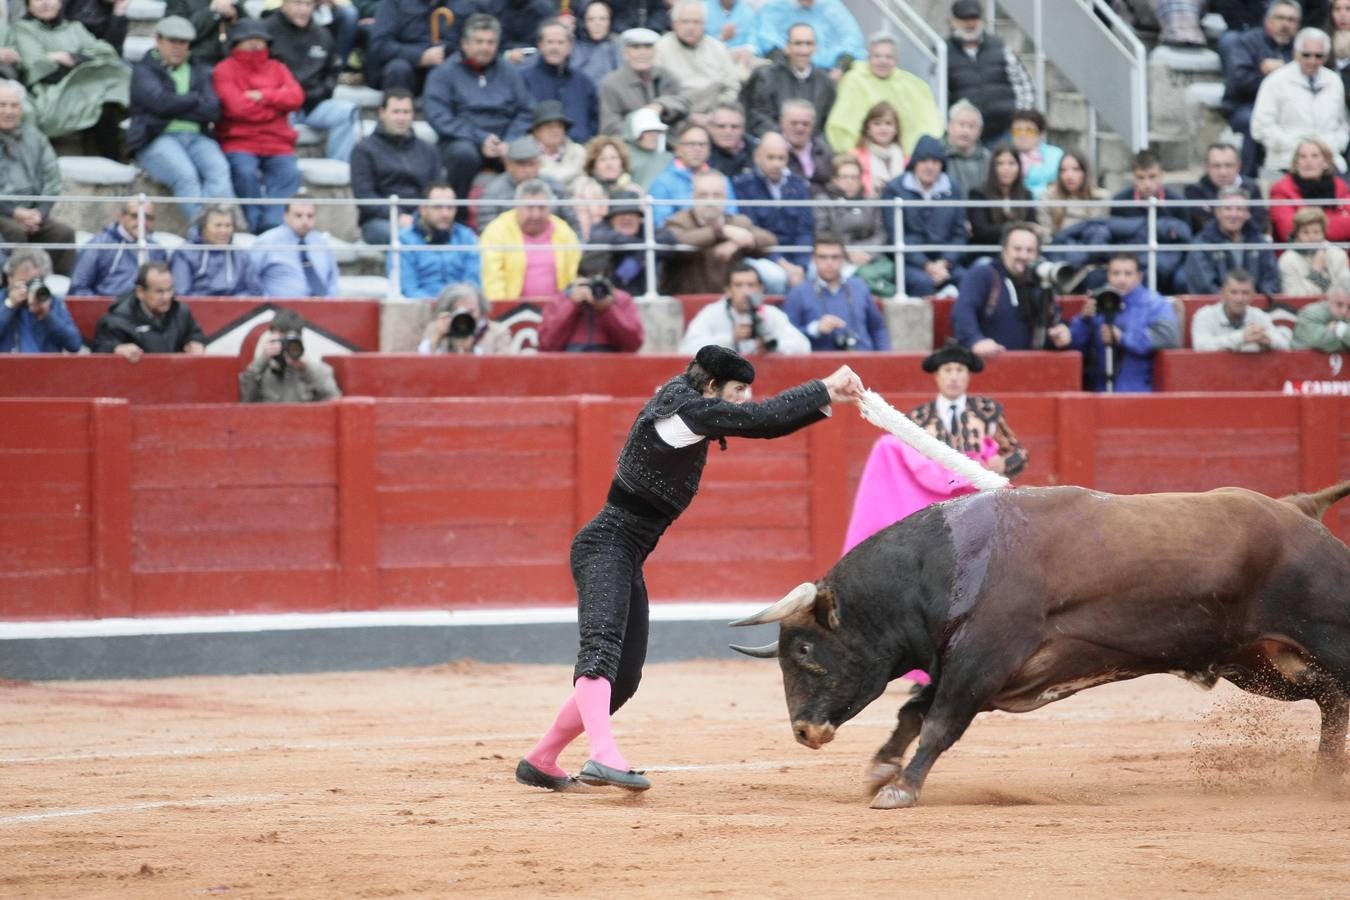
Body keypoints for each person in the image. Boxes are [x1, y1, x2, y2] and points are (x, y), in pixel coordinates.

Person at [516, 345, 864, 793]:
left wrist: (827, 397)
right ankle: (603, 756)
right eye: (737, 390)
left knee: (623, 678)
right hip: (604, 547)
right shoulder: (684, 412)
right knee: (601, 650)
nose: (741, 399)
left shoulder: (686, 404)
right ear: (712, 385)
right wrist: (825, 388)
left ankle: (542, 758)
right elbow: (760, 421)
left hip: (625, 554)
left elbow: (762, 421)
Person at [842, 338, 1026, 555]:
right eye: (948, 370)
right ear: (937, 376)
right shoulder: (918, 418)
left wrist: (1003, 464)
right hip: (934, 506)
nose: (954, 376)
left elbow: (1019, 454)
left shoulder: (987, 412)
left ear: (968, 375)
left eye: (959, 370)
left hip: (978, 502)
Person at [128, 16, 234, 225]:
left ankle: (218, 225)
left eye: (183, 43)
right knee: (185, 176)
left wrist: (173, 105)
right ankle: (203, 232)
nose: (178, 48)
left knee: (219, 170)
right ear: (158, 40)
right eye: (172, 41)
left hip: (197, 137)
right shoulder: (143, 70)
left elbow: (212, 109)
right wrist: (195, 99)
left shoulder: (198, 69)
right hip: (156, 137)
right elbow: (160, 103)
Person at [424, 14, 535, 200]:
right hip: (462, 140)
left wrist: (508, 141)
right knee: (463, 155)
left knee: (527, 152)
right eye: (479, 41)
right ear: (465, 44)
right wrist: (480, 138)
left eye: (491, 42)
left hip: (504, 139)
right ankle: (457, 215)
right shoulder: (443, 74)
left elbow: (526, 110)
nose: (485, 47)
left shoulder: (511, 73)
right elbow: (438, 116)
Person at [212, 19, 305, 234]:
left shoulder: (278, 68)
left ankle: (273, 226)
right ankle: (253, 225)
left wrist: (263, 96)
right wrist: (277, 106)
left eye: (259, 40)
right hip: (239, 140)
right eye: (249, 39)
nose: (255, 44)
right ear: (237, 42)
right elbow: (236, 108)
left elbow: (297, 97)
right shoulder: (224, 70)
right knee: (244, 172)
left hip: (278, 141)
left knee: (289, 172)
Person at [10, 0, 129, 157]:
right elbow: (36, 64)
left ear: (60, 3)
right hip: (49, 92)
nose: (46, 3)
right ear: (28, 4)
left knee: (108, 103)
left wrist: (70, 57)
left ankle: (113, 160)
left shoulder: (74, 27)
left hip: (85, 85)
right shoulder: (22, 29)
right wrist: (78, 61)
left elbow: (106, 53)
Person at [952, 221, 1071, 358]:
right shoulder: (983, 274)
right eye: (1017, 249)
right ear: (1004, 250)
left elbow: (1052, 321)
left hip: (1034, 368)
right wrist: (975, 341)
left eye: (1030, 250)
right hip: (990, 365)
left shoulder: (1042, 282)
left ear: (1038, 254)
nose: (1023, 256)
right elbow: (963, 311)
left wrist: (1061, 333)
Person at [1069, 253, 1179, 393]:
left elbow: (1169, 337)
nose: (1121, 280)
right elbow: (1074, 344)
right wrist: (1083, 319)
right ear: (1108, 276)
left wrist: (1122, 337)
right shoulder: (1098, 300)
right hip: (1099, 389)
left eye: (1128, 274)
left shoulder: (1155, 304)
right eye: (1116, 273)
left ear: (1139, 276)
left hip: (1140, 389)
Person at [266, 0, 359, 164]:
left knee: (347, 111)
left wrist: (321, 92)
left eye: (309, 5)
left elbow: (333, 71)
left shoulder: (322, 34)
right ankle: (280, 166)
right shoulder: (267, 31)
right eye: (298, 4)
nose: (304, 9)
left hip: (314, 103)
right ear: (284, 4)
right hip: (281, 105)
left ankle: (338, 167)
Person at [350, 87, 445, 246]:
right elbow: (365, 197)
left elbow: (437, 190)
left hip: (423, 218)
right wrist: (398, 216)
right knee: (407, 238)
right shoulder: (363, 150)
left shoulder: (429, 150)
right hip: (380, 221)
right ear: (382, 113)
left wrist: (420, 217)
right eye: (396, 112)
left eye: (406, 112)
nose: (401, 118)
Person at [0, 80, 76, 276]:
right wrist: (14, 212)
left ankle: (58, 291)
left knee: (63, 233)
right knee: (15, 232)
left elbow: (52, 179)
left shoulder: (36, 138)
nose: (9, 111)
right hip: (3, 213)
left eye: (14, 106)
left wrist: (39, 213)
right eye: (3, 105)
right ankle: (18, 288)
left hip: (33, 212)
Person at [1251, 27, 1348, 179]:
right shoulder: (1276, 81)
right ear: (1295, 53)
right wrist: (1299, 148)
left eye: (1318, 55)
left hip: (1329, 162)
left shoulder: (1334, 81)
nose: (1312, 60)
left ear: (1326, 56)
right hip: (1285, 162)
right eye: (1306, 55)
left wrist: (1329, 146)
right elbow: (1261, 127)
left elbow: (1343, 125)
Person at [657, 169, 775, 294]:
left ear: (726, 197)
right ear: (693, 197)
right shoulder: (678, 220)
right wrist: (722, 231)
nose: (710, 201)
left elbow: (769, 240)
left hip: (729, 303)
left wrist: (738, 242)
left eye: (716, 195)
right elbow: (677, 240)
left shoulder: (737, 222)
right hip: (686, 300)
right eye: (703, 195)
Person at [825, 33, 942, 159]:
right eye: (877, 56)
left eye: (888, 57)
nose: (883, 61)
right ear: (868, 58)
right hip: (862, 157)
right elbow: (842, 122)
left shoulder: (912, 84)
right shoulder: (854, 80)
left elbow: (928, 121)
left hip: (903, 156)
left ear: (896, 60)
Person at [881, 135, 967, 298]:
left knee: (967, 279)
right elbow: (895, 236)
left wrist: (945, 262)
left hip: (945, 263)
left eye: (935, 162)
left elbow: (959, 233)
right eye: (924, 161)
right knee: (922, 282)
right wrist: (926, 265)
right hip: (909, 263)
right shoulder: (895, 189)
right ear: (914, 163)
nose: (929, 167)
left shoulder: (953, 188)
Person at [1220, 0, 1300, 177]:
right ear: (1268, 21)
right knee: (1254, 122)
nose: (1285, 24)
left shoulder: (1300, 49)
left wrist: (1282, 69)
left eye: (1291, 20)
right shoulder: (1246, 42)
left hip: (1286, 107)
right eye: (1280, 18)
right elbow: (1239, 82)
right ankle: (1248, 181)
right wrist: (1269, 78)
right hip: (1247, 104)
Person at [732, 132, 812, 293]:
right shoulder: (743, 185)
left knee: (820, 273)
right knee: (775, 277)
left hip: (796, 258)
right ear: (757, 157)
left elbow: (805, 230)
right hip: (760, 257)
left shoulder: (798, 186)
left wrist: (801, 266)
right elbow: (752, 233)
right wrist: (783, 264)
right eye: (771, 157)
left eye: (781, 158)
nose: (776, 163)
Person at [782, 232, 890, 351]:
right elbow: (787, 337)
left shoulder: (860, 287)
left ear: (843, 258)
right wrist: (815, 329)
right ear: (813, 259)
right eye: (823, 257)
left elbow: (877, 329)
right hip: (819, 365)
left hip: (862, 360)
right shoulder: (798, 293)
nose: (829, 263)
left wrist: (885, 358)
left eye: (835, 257)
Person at [945, 0, 1034, 142]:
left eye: (974, 18)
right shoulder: (944, 52)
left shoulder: (999, 46)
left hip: (1005, 131)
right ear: (953, 20)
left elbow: (1023, 84)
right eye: (964, 19)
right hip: (966, 135)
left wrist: (1020, 118)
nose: (970, 24)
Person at [480, 179, 582, 300]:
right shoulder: (496, 231)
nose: (535, 215)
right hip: (511, 312)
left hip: (558, 311)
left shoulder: (564, 232)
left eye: (541, 208)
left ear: (550, 208)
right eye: (529, 208)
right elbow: (492, 281)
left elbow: (573, 277)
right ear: (517, 206)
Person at [678, 262, 810, 354]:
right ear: (728, 290)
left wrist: (773, 347)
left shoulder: (772, 314)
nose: (746, 291)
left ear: (760, 289)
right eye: (739, 285)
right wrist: (731, 338)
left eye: (751, 285)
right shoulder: (712, 313)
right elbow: (686, 349)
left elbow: (804, 346)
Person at [91, 262, 207, 360]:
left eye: (170, 290)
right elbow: (100, 347)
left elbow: (195, 333)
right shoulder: (117, 319)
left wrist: (195, 342)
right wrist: (116, 349)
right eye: (159, 291)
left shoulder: (181, 311)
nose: (167, 297)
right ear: (140, 292)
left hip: (176, 380)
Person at [814, 152, 892, 295]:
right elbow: (821, 233)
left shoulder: (870, 202)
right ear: (834, 179)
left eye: (854, 177)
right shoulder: (823, 201)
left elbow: (880, 234)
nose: (849, 181)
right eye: (844, 177)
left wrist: (866, 253)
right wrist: (847, 252)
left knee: (889, 270)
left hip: (868, 257)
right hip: (834, 257)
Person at [739, 23, 835, 138]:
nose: (803, 50)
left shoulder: (824, 82)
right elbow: (757, 118)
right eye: (798, 43)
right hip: (773, 147)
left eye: (808, 44)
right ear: (787, 47)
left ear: (816, 48)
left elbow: (825, 124)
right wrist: (786, 140)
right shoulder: (765, 77)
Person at [1184, 186, 1280, 295]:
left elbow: (1271, 281)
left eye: (1239, 209)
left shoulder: (1260, 242)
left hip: (1257, 308)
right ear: (1218, 212)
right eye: (1228, 209)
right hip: (1215, 308)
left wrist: (1257, 300)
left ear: (1247, 213)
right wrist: (1231, 302)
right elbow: (1203, 286)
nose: (1233, 215)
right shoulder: (1201, 244)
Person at [654, 1, 739, 122]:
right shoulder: (660, 48)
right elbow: (657, 91)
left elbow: (731, 87)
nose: (691, 27)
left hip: (714, 118)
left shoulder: (718, 48)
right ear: (674, 24)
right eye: (685, 21)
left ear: (704, 24)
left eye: (696, 22)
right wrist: (688, 116)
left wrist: (716, 114)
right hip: (674, 117)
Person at [393, 183, 481, 299]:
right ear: (423, 209)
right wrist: (439, 308)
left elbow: (472, 284)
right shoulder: (404, 240)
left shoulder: (466, 237)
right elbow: (408, 289)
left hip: (460, 311)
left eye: (450, 207)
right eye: (438, 207)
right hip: (419, 311)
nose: (445, 213)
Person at [598, 27, 691, 137]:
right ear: (625, 53)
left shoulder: (666, 76)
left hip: (668, 144)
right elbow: (609, 127)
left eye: (648, 47)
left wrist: (661, 105)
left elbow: (683, 103)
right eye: (635, 47)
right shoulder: (612, 83)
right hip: (629, 147)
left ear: (655, 51)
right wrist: (642, 127)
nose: (642, 53)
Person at [537, 259, 645, 352]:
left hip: (612, 365)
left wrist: (608, 310)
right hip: (569, 365)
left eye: (599, 284)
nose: (593, 289)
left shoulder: (622, 300)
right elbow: (546, 344)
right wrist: (572, 305)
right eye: (588, 284)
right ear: (577, 279)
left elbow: (633, 345)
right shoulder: (560, 300)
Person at [521, 18, 599, 145]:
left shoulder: (584, 82)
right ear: (540, 45)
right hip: (536, 153)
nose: (555, 47)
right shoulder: (524, 80)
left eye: (560, 42)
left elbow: (594, 120)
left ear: (570, 47)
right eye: (550, 42)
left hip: (579, 151)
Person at [239, 306, 343, 401]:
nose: (284, 347)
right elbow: (246, 401)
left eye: (288, 342)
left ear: (299, 340)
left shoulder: (318, 371)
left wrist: (306, 368)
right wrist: (262, 359)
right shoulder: (261, 373)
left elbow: (333, 400)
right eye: (280, 342)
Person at [70, 201, 170, 297]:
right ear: (121, 216)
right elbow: (78, 288)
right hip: (108, 310)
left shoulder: (157, 250)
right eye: (135, 216)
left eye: (148, 218)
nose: (142, 222)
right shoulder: (99, 245)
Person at [478, 135, 577, 231]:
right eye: (521, 164)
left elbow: (573, 224)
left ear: (539, 164)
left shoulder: (554, 185)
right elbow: (487, 230)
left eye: (532, 164)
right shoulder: (493, 192)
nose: (527, 169)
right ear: (508, 164)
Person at [648, 124, 739, 228]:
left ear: (709, 149)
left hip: (721, 236)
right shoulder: (662, 183)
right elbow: (662, 223)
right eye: (690, 144)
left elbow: (731, 216)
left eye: (702, 144)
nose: (697, 149)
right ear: (678, 149)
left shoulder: (722, 180)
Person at [1268, 137, 1350, 242]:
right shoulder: (1281, 190)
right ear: (1296, 163)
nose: (1308, 160)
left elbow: (1304, 229)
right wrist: (1338, 220)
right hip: (1298, 254)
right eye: (1302, 156)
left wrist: (1308, 224)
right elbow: (1289, 231)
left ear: (1326, 162)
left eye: (1314, 156)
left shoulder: (1340, 186)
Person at [0, 248, 81, 353]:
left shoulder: (51, 301)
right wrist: (9, 306)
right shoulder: (2, 299)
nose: (28, 288)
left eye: (34, 282)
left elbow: (74, 344)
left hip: (45, 367)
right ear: (10, 278)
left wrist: (46, 315)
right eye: (23, 282)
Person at [1192, 269, 1292, 352]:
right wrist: (1241, 338)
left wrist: (1267, 339)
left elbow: (1285, 345)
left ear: (1253, 296)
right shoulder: (1205, 315)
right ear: (1223, 294)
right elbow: (1200, 346)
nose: (1239, 299)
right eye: (1233, 292)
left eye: (1245, 293)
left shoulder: (1259, 316)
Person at [253, 200, 339, 296]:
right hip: (278, 308)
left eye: (310, 216)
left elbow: (332, 281)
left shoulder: (321, 243)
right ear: (286, 216)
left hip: (321, 307)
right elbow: (250, 280)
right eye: (298, 215)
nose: (305, 221)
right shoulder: (267, 242)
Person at [363, 0, 451, 94]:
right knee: (399, 68)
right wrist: (420, 57)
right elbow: (380, 45)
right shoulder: (394, 3)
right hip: (402, 69)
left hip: (440, 67)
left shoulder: (453, 4)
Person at [753, 0, 864, 73]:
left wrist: (841, 67)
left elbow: (853, 39)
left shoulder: (832, 7)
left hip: (829, 70)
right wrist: (786, 65)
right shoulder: (775, 7)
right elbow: (766, 39)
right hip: (786, 67)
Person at [170, 204, 258, 295]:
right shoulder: (185, 253)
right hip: (197, 308)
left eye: (228, 225)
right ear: (203, 227)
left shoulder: (240, 255)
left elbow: (255, 291)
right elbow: (181, 292)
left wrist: (231, 304)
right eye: (218, 225)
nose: (224, 231)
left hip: (238, 308)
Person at [1182, 142, 1267, 235]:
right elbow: (1202, 226)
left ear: (1238, 165)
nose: (1223, 172)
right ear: (1206, 167)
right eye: (1216, 166)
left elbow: (1260, 223)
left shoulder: (1252, 188)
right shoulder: (1194, 191)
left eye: (1228, 165)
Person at [966, 144, 1034, 253]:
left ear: (1019, 167)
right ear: (993, 168)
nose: (1006, 168)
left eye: (1011, 163)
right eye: (1000, 163)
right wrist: (1018, 227)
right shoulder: (978, 194)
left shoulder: (1026, 195)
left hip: (1021, 254)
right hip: (988, 253)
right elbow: (981, 231)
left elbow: (1032, 226)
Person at [417, 282, 514, 354]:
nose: (465, 317)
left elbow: (503, 368)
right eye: (458, 311)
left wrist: (470, 350)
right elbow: (420, 366)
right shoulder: (437, 328)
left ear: (481, 309)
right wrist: (436, 339)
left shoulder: (498, 332)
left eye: (471, 311)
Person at [583, 189, 648, 294]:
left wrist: (638, 256)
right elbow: (605, 238)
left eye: (632, 213)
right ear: (610, 219)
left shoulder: (646, 231)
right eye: (621, 213)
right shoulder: (600, 231)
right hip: (605, 297)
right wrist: (642, 246)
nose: (627, 218)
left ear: (639, 218)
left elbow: (668, 239)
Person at [1037, 149, 1108, 237]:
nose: (1069, 175)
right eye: (1063, 170)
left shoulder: (1100, 198)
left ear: (1085, 172)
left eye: (1076, 169)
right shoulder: (1047, 197)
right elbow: (1046, 235)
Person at [1279, 207, 1350, 295]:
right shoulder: (1287, 260)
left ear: (1323, 233)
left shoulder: (1337, 254)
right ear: (1297, 235)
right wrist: (1315, 273)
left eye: (1316, 232)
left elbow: (1345, 290)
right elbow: (1294, 296)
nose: (1311, 237)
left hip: (1336, 307)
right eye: (1305, 232)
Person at [852, 101, 906, 198]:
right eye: (877, 123)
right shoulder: (854, 157)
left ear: (896, 129)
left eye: (888, 123)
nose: (883, 128)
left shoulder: (905, 159)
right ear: (868, 128)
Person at [779, 97, 834, 192]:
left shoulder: (826, 152)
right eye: (794, 123)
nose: (800, 128)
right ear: (782, 123)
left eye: (805, 124)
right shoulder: (772, 152)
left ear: (813, 125)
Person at [1110, 149, 1183, 219]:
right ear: (1134, 178)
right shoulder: (1120, 202)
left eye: (1152, 176)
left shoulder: (1177, 203)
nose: (1147, 184)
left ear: (1162, 175)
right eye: (1140, 178)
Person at [941, 99, 990, 198]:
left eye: (971, 126)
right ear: (950, 126)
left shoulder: (987, 158)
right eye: (961, 124)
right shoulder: (937, 154)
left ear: (979, 131)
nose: (966, 131)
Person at [1009, 109, 1061, 201]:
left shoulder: (1056, 155)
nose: (1023, 135)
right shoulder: (1004, 156)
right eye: (1017, 131)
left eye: (1029, 131)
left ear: (1040, 134)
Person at [571, 0, 624, 88]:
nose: (597, 24)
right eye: (591, 19)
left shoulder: (619, 44)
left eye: (603, 19)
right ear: (583, 21)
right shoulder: (572, 47)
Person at [623, 106, 674, 188]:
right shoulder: (623, 159)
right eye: (648, 131)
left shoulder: (669, 159)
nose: (654, 135)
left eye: (657, 131)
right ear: (634, 134)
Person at [705, 101, 756, 178]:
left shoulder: (757, 152)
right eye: (721, 126)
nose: (728, 132)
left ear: (743, 129)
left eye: (734, 127)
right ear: (711, 128)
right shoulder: (701, 152)